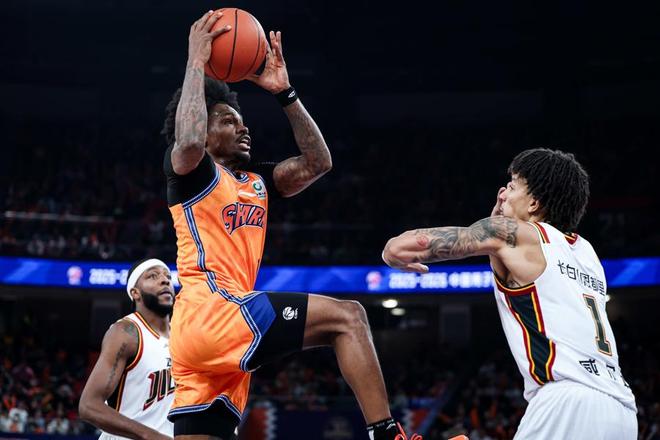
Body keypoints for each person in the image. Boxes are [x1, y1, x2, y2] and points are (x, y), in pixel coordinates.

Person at [161, 10, 419, 440]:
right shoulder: (193, 174)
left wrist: (285, 93)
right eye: (228, 121)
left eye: (243, 120)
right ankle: (387, 434)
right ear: (205, 130)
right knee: (349, 317)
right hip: (214, 311)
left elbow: (319, 162)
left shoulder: (257, 182)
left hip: (201, 338)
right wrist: (195, 61)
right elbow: (186, 141)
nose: (243, 127)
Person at [382, 148, 637, 439]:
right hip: (621, 410)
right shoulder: (587, 254)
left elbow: (402, 247)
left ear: (534, 203)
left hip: (567, 401)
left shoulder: (513, 234)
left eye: (513, 186)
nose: (502, 194)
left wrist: (390, 251)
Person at [79, 258, 175, 440]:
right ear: (135, 293)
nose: (164, 280)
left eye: (167, 276)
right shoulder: (127, 332)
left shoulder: (183, 336)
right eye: (153, 276)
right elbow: (88, 406)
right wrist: (151, 436)